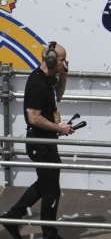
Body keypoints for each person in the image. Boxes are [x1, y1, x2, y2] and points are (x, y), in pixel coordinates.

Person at [2, 41, 73, 239]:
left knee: (44, 184)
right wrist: (58, 127)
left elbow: (57, 98)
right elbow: (33, 117)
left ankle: (13, 216)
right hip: (40, 143)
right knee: (51, 191)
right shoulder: (38, 84)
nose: (64, 63)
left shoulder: (48, 79)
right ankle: (50, 235)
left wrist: (64, 76)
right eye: (61, 60)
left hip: (47, 141)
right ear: (50, 60)